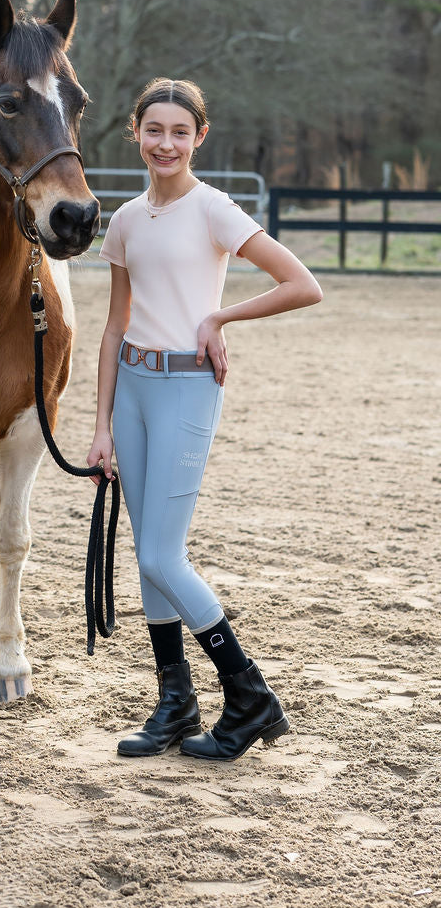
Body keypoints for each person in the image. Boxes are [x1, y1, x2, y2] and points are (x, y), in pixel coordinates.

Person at [86, 78, 322, 762]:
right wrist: (100, 424)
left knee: (165, 552)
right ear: (135, 131)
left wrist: (221, 315)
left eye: (179, 132)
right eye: (153, 129)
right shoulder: (126, 219)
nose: (165, 143)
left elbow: (301, 283)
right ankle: (175, 701)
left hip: (188, 387)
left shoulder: (215, 209)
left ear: (199, 138)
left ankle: (249, 695)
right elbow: (110, 328)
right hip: (130, 384)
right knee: (145, 555)